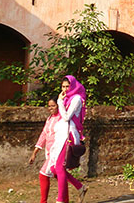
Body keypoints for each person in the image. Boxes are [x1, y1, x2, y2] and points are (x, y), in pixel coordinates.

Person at [47, 75, 88, 203]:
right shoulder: (67, 99)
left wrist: (59, 101)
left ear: (73, 86)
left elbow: (66, 117)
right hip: (61, 135)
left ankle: (60, 200)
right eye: (63, 87)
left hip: (68, 135)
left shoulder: (76, 99)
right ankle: (80, 187)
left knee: (59, 168)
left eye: (67, 86)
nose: (65, 89)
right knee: (54, 168)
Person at [29, 97, 69, 203]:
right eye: (49, 106)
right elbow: (44, 135)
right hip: (49, 151)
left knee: (43, 174)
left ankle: (43, 201)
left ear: (58, 106)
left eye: (53, 106)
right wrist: (35, 152)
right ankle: (66, 199)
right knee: (59, 176)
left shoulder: (62, 119)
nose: (50, 108)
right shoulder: (50, 119)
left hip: (58, 151)